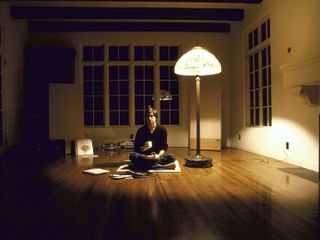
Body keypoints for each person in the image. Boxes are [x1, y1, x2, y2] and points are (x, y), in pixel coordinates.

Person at [129, 106, 176, 171]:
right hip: (145, 156)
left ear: (155, 117)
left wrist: (158, 155)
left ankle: (143, 166)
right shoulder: (140, 131)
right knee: (132, 155)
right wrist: (143, 148)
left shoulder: (162, 130)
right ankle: (158, 166)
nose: (149, 118)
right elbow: (136, 149)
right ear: (145, 118)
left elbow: (164, 147)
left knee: (172, 157)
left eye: (151, 116)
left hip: (157, 156)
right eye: (147, 116)